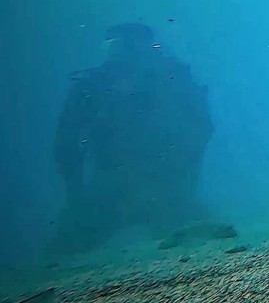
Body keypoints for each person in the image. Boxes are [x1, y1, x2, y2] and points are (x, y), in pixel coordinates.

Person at [50, 23, 213, 255]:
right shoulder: (95, 85)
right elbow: (66, 142)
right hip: (124, 186)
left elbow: (66, 143)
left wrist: (75, 192)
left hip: (155, 185)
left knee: (195, 242)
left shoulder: (171, 79)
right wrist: (75, 193)